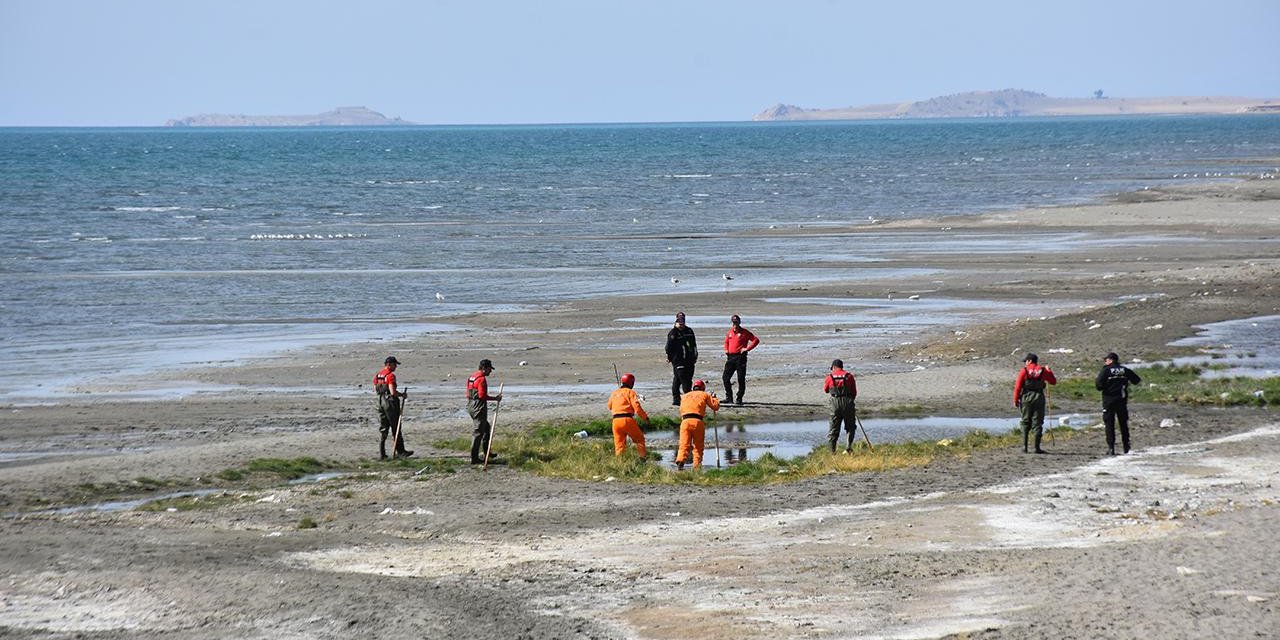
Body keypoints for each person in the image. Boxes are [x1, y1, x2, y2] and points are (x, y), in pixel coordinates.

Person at [1095, 352, 1142, 455]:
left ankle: (1111, 448)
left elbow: (1098, 386)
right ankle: (1126, 446)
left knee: (1109, 424)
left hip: (1109, 401)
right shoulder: (1124, 370)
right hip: (1122, 400)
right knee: (1123, 424)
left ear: (1110, 360)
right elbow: (1137, 380)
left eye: (1106, 360)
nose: (1105, 361)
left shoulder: (1106, 370)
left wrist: (1107, 386)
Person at [1013, 353, 1057, 454]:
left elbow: (1018, 387)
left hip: (1026, 398)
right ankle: (1037, 448)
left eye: (1026, 361)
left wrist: (1015, 400)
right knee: (1037, 422)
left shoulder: (1024, 371)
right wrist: (1049, 371)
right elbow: (1053, 382)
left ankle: (1025, 447)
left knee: (1025, 421)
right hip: (1039, 397)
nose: (1025, 363)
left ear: (1029, 361)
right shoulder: (1042, 370)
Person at [675, 379, 720, 470]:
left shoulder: (684, 396)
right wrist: (714, 398)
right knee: (698, 446)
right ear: (702, 388)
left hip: (685, 422)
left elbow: (681, 409)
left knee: (684, 444)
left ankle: (680, 460)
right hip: (697, 421)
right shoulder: (704, 395)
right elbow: (715, 407)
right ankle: (696, 466)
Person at [373, 356, 412, 459]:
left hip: (380, 401)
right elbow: (393, 392)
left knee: (383, 427)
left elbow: (375, 389)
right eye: (394, 365)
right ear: (388, 364)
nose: (396, 367)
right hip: (390, 403)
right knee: (396, 427)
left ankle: (382, 453)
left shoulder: (378, 375)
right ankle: (401, 451)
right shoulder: (390, 376)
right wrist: (402, 395)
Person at [466, 359, 503, 464]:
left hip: (470, 405)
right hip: (478, 406)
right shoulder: (481, 379)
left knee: (486, 427)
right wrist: (495, 399)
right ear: (484, 368)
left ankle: (487, 452)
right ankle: (474, 458)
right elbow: (482, 395)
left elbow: (468, 394)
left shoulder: (471, 377)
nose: (490, 371)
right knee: (478, 432)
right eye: (489, 369)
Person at [607, 372, 650, 458]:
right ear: (631, 383)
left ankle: (620, 461)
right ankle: (642, 458)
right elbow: (637, 408)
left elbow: (609, 406)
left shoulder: (614, 393)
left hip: (615, 421)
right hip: (627, 420)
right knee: (639, 440)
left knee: (619, 444)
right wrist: (645, 418)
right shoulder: (631, 392)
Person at [722, 314, 760, 405]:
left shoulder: (744, 332)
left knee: (740, 378)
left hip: (740, 357)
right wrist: (726, 349)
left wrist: (747, 349)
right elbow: (726, 342)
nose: (735, 324)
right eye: (734, 322)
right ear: (732, 323)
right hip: (730, 357)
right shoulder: (730, 332)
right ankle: (729, 397)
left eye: (736, 322)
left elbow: (756, 340)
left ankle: (739, 398)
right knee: (725, 378)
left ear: (739, 322)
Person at [824, 359, 858, 453]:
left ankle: (832, 453)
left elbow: (826, 390)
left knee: (833, 428)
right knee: (850, 427)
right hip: (848, 402)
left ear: (834, 367)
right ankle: (848, 448)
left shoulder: (830, 377)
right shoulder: (849, 376)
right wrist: (850, 402)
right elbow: (854, 392)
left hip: (835, 403)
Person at [665, 311, 698, 406]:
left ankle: (676, 400)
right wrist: (669, 357)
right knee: (684, 379)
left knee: (679, 379)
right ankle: (687, 398)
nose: (681, 323)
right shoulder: (673, 333)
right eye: (679, 321)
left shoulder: (689, 331)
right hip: (678, 361)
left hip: (690, 360)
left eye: (682, 321)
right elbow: (668, 347)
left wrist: (695, 356)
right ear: (676, 321)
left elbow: (694, 345)